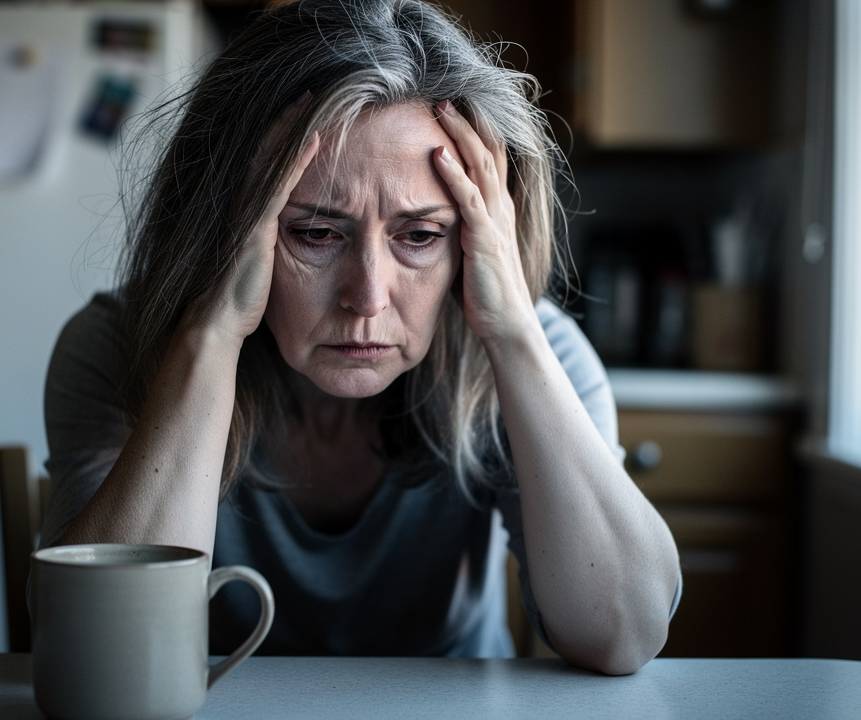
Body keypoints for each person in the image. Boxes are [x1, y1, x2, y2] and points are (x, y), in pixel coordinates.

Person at [40, 0, 681, 675]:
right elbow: (96, 658)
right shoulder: (113, 348)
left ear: (472, 241)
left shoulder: (532, 354)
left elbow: (625, 635)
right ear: (223, 229)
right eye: (316, 233)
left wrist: (516, 335)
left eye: (420, 236)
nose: (367, 296)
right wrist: (211, 335)